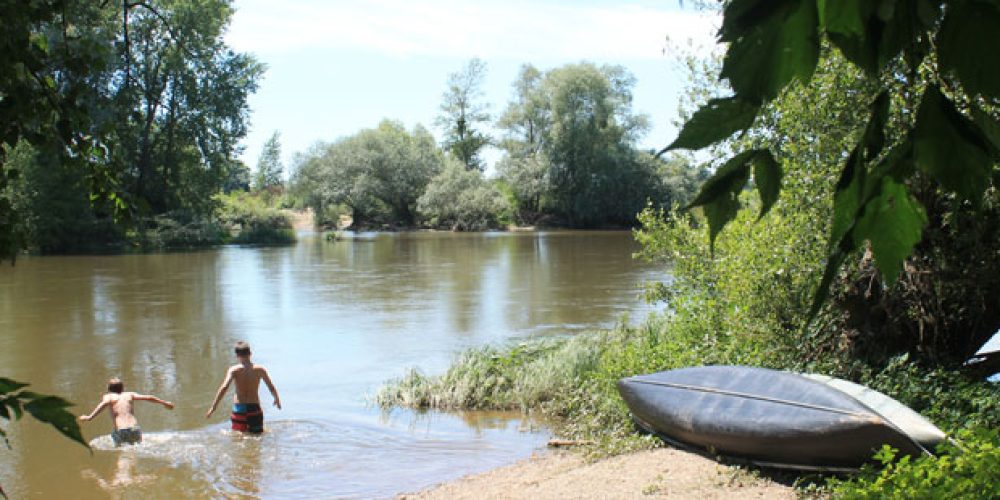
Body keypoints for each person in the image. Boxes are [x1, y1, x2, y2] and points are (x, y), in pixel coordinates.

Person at [205, 341, 281, 433]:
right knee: (257, 437)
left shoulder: (234, 370)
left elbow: (224, 387)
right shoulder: (260, 370)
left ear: (237, 356)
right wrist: (276, 399)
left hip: (239, 409)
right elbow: (271, 387)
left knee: (238, 437)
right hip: (254, 408)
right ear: (250, 354)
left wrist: (214, 407)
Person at [79, 378, 174, 446]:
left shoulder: (109, 397)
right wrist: (165, 403)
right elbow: (148, 397)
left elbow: (103, 404)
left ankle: (121, 473)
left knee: (122, 456)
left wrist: (89, 417)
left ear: (109, 390)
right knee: (133, 452)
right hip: (135, 429)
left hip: (121, 430)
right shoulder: (130, 395)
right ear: (122, 388)